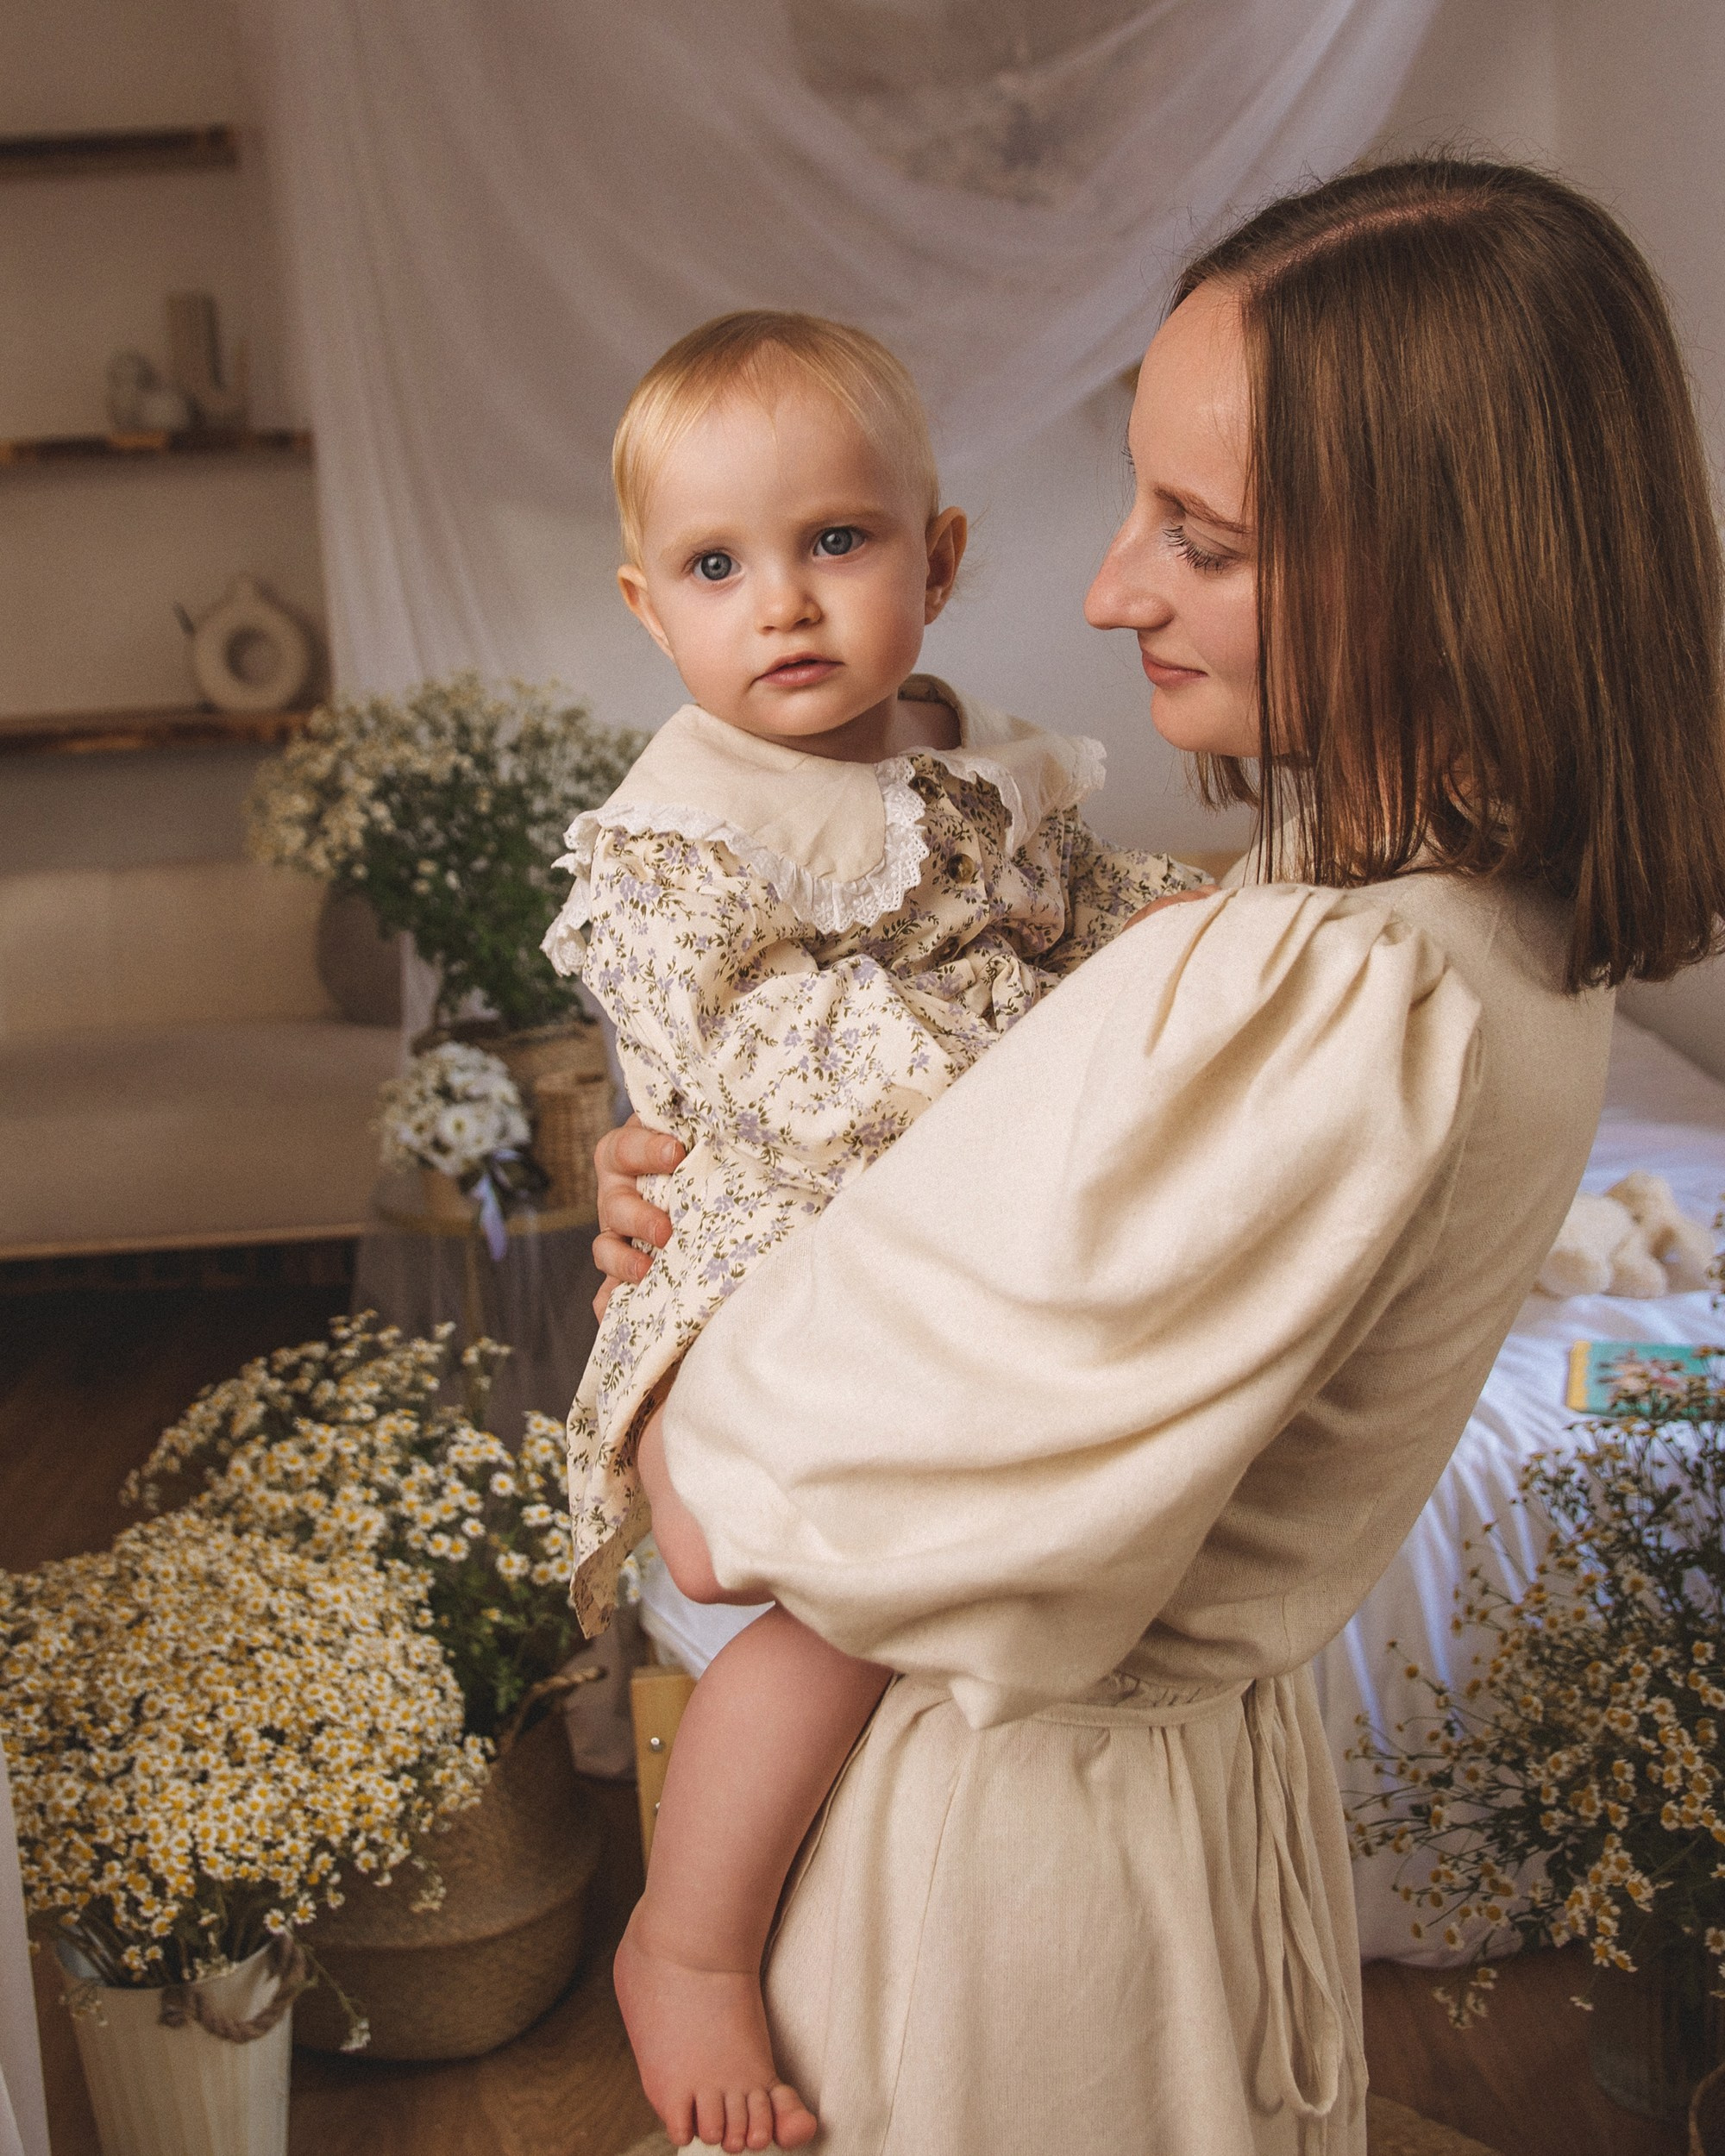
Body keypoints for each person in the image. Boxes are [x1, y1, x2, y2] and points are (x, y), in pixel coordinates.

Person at [597, 159, 1725, 2154]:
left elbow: (731, 1518)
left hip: (1016, 1873)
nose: (1112, 589)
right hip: (1167, 1797)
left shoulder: (1325, 996)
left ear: (1444, 567)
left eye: (1199, 537)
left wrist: (681, 1299)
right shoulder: (1459, 924)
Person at [542, 310, 1203, 2151]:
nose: (784, 603)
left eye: (836, 541)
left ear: (941, 556)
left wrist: (1197, 929)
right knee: (835, 1602)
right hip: (762, 1258)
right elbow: (744, 1069)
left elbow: (1071, 910)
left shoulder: (980, 764)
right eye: (714, 564)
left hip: (940, 1250)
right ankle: (686, 1937)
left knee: (1001, 1524)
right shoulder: (680, 838)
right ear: (645, 606)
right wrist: (1045, 1032)